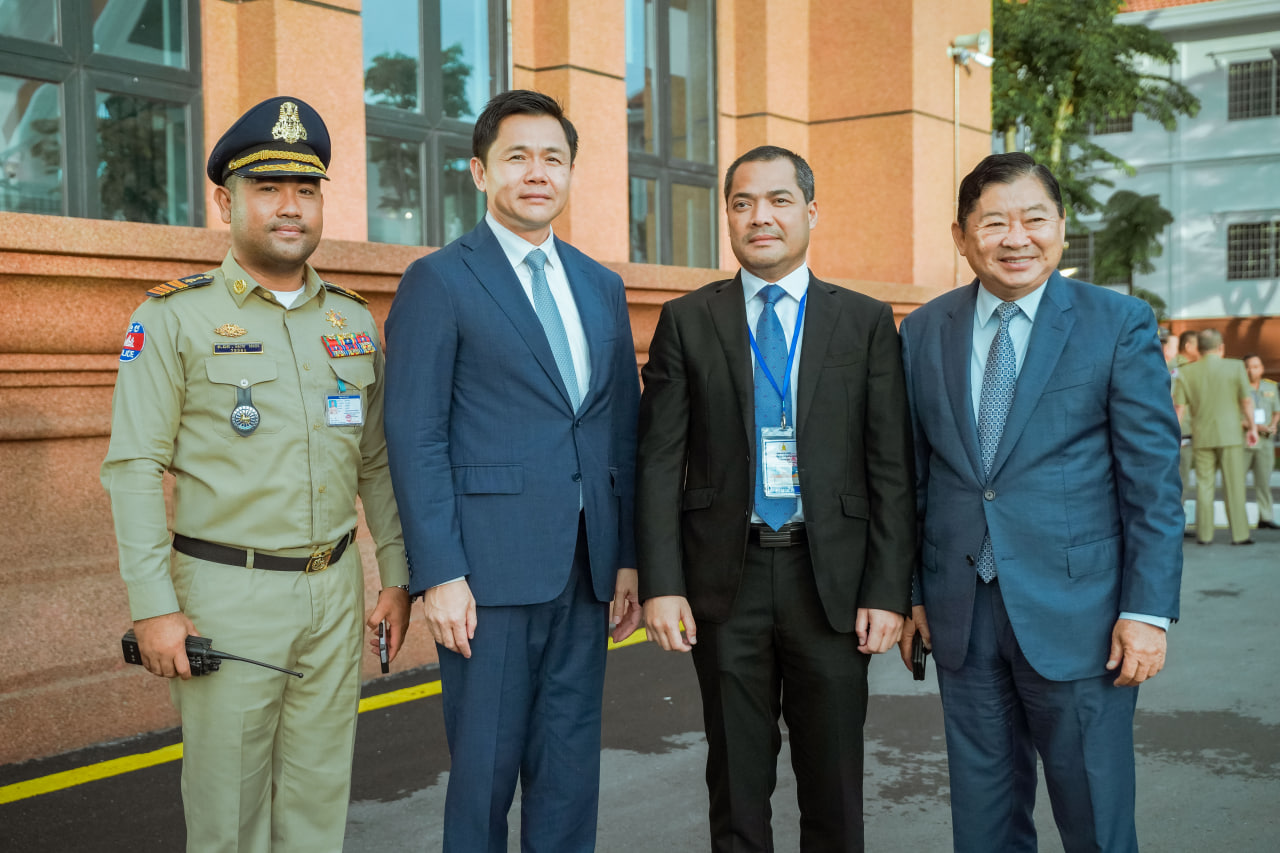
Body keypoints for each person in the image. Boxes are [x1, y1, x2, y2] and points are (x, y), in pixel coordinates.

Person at [100, 96, 411, 852]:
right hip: (228, 596)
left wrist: (396, 576)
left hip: (335, 590)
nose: (290, 207)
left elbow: (375, 460)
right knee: (228, 814)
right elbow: (134, 466)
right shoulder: (174, 317)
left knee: (317, 803)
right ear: (226, 201)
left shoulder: (350, 319)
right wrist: (153, 607)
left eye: (305, 189)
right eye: (268, 188)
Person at [897, 152, 1183, 853]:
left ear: (1061, 227)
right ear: (961, 236)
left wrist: (1146, 611)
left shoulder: (1116, 322)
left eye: (1034, 219)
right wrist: (912, 593)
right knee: (984, 822)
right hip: (963, 613)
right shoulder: (923, 330)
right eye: (994, 222)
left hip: (1083, 617)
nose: (1016, 238)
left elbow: (1151, 481)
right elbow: (913, 476)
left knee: (1095, 819)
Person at [637, 146, 916, 852]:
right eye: (743, 203)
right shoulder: (687, 319)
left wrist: (888, 590)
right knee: (736, 782)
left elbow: (890, 466)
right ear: (728, 216)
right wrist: (663, 584)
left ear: (811, 212)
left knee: (835, 783)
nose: (760, 216)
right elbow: (660, 461)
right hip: (723, 580)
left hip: (832, 581)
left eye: (779, 200)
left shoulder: (864, 321)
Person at [383, 90, 642, 852]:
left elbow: (620, 430)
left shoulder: (600, 284)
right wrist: (440, 573)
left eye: (553, 158)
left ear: (570, 173)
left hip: (585, 571)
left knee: (569, 773)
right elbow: (415, 434)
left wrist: (628, 556)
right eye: (518, 157)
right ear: (479, 171)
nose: (537, 173)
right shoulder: (439, 280)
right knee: (484, 780)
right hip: (486, 579)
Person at [1174, 330, 1258, 544]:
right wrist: (1252, 428)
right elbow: (1247, 401)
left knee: (1204, 485)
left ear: (1199, 349)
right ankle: (1240, 535)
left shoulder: (1186, 372)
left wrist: (1174, 435)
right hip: (1230, 435)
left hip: (1202, 436)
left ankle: (1204, 535)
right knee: (1234, 485)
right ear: (1221, 347)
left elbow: (1179, 408)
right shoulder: (1236, 367)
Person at [1243, 354, 1280, 529]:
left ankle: (1265, 516)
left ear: (1262, 368)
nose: (1252, 370)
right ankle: (1238, 518)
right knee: (1237, 481)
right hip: (1244, 439)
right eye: (1249, 367)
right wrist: (1255, 426)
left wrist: (1273, 425)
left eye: (1256, 366)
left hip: (1265, 441)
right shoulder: (1239, 388)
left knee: (1263, 481)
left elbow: (1276, 410)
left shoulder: (1270, 387)